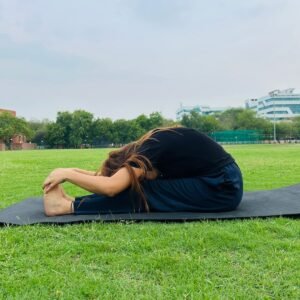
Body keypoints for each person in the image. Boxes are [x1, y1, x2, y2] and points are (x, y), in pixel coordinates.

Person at [43, 126, 243, 216]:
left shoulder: (151, 147)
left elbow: (112, 186)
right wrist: (72, 172)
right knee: (147, 186)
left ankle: (67, 207)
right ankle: (73, 203)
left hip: (222, 186)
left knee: (146, 192)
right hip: (222, 182)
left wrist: (67, 174)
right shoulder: (154, 145)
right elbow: (108, 180)